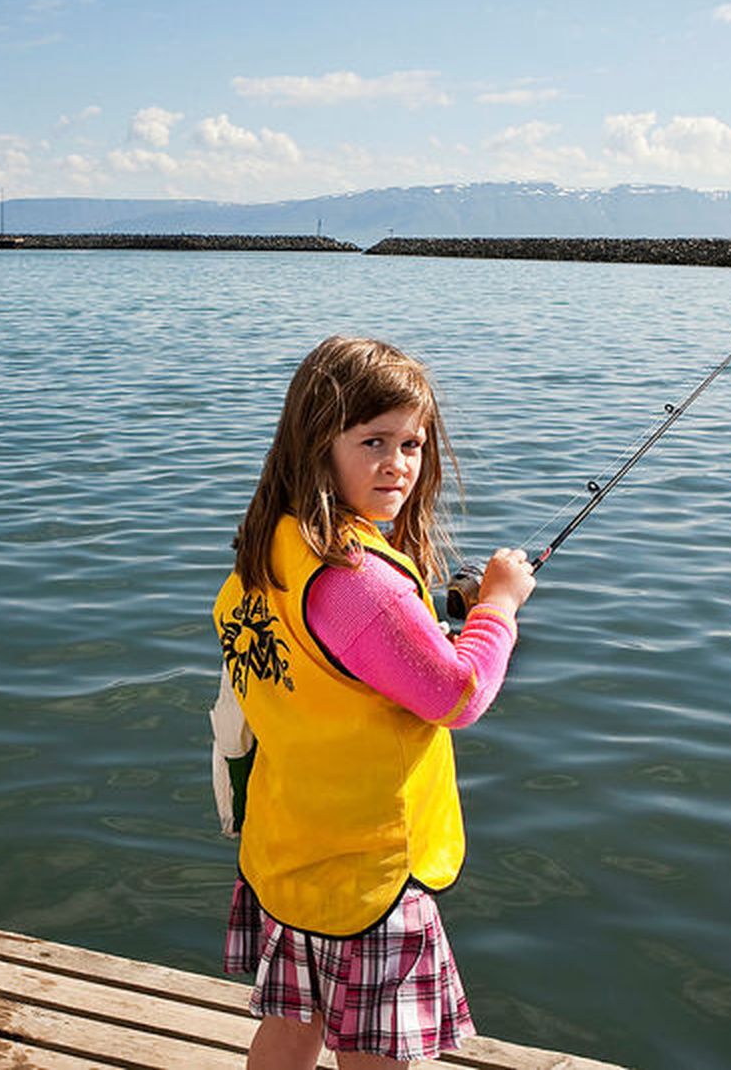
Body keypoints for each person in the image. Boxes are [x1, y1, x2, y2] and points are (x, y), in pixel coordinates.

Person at [210, 335, 536, 1068]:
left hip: (294, 848)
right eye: (373, 442)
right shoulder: (364, 584)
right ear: (316, 444)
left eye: (413, 443)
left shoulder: (269, 551)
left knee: (293, 1027)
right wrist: (500, 609)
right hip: (371, 871)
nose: (398, 464)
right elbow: (456, 695)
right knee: (378, 1054)